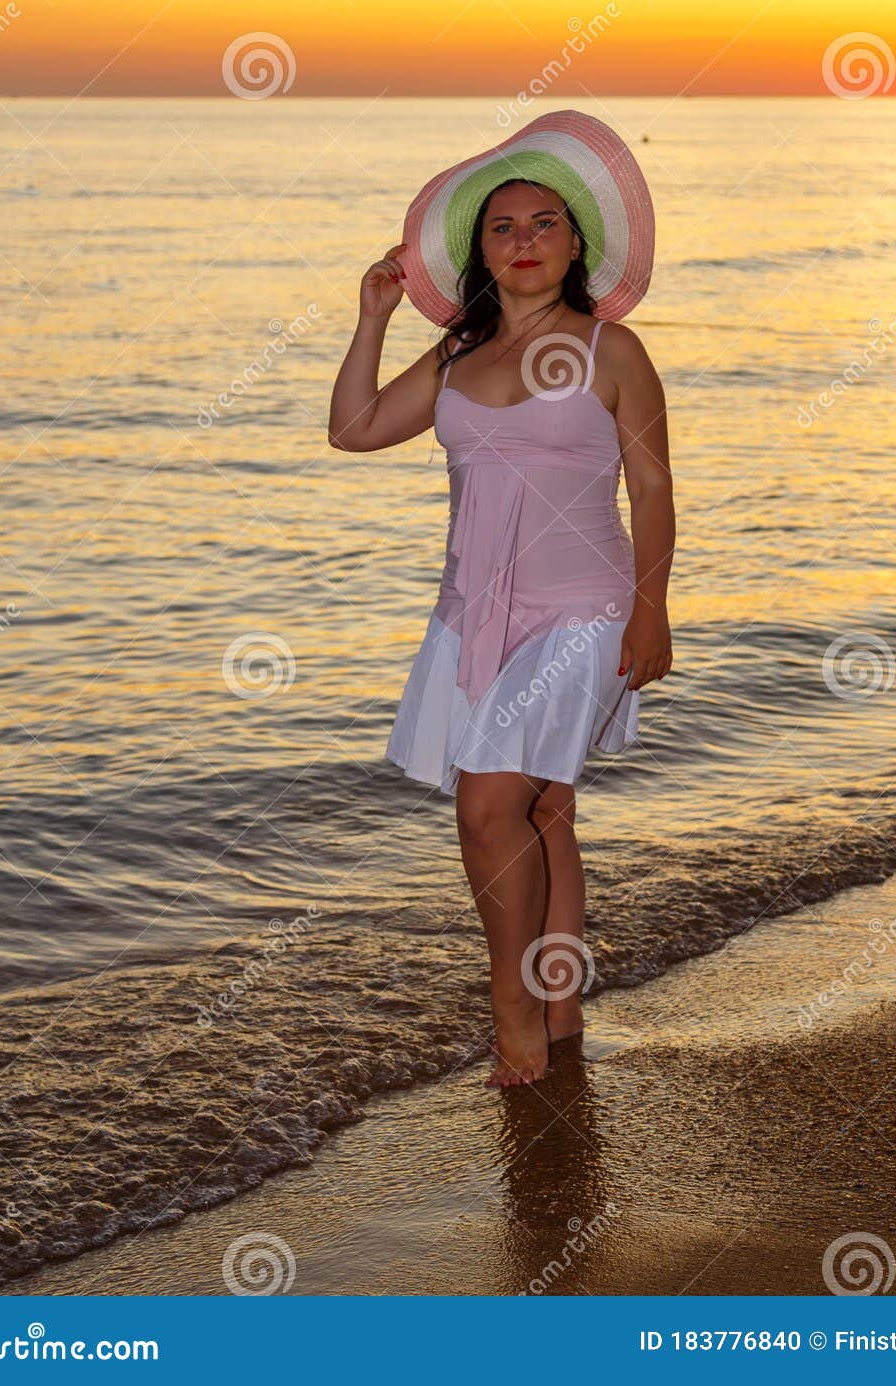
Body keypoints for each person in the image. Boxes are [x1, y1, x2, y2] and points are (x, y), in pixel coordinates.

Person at [329, 153, 675, 1089]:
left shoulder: (613, 352)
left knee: (488, 805)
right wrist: (372, 316)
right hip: (473, 612)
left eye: (544, 225)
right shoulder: (456, 356)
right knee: (543, 811)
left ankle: (512, 1010)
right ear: (481, 252)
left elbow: (649, 487)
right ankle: (559, 1007)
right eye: (503, 228)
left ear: (577, 246)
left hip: (583, 611)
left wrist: (651, 612)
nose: (524, 242)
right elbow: (353, 428)